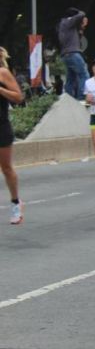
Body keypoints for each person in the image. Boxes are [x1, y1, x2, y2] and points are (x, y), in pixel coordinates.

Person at [0, 48, 25, 224]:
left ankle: (16, 203)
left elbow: (18, 97)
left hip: (1, 125)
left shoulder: (3, 72)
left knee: (6, 168)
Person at [58, 7, 89, 99]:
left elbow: (77, 39)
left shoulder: (65, 25)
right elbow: (82, 14)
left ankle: (68, 98)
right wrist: (80, 13)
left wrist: (82, 27)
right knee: (84, 74)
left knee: (71, 78)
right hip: (72, 53)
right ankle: (82, 97)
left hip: (66, 54)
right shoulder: (68, 21)